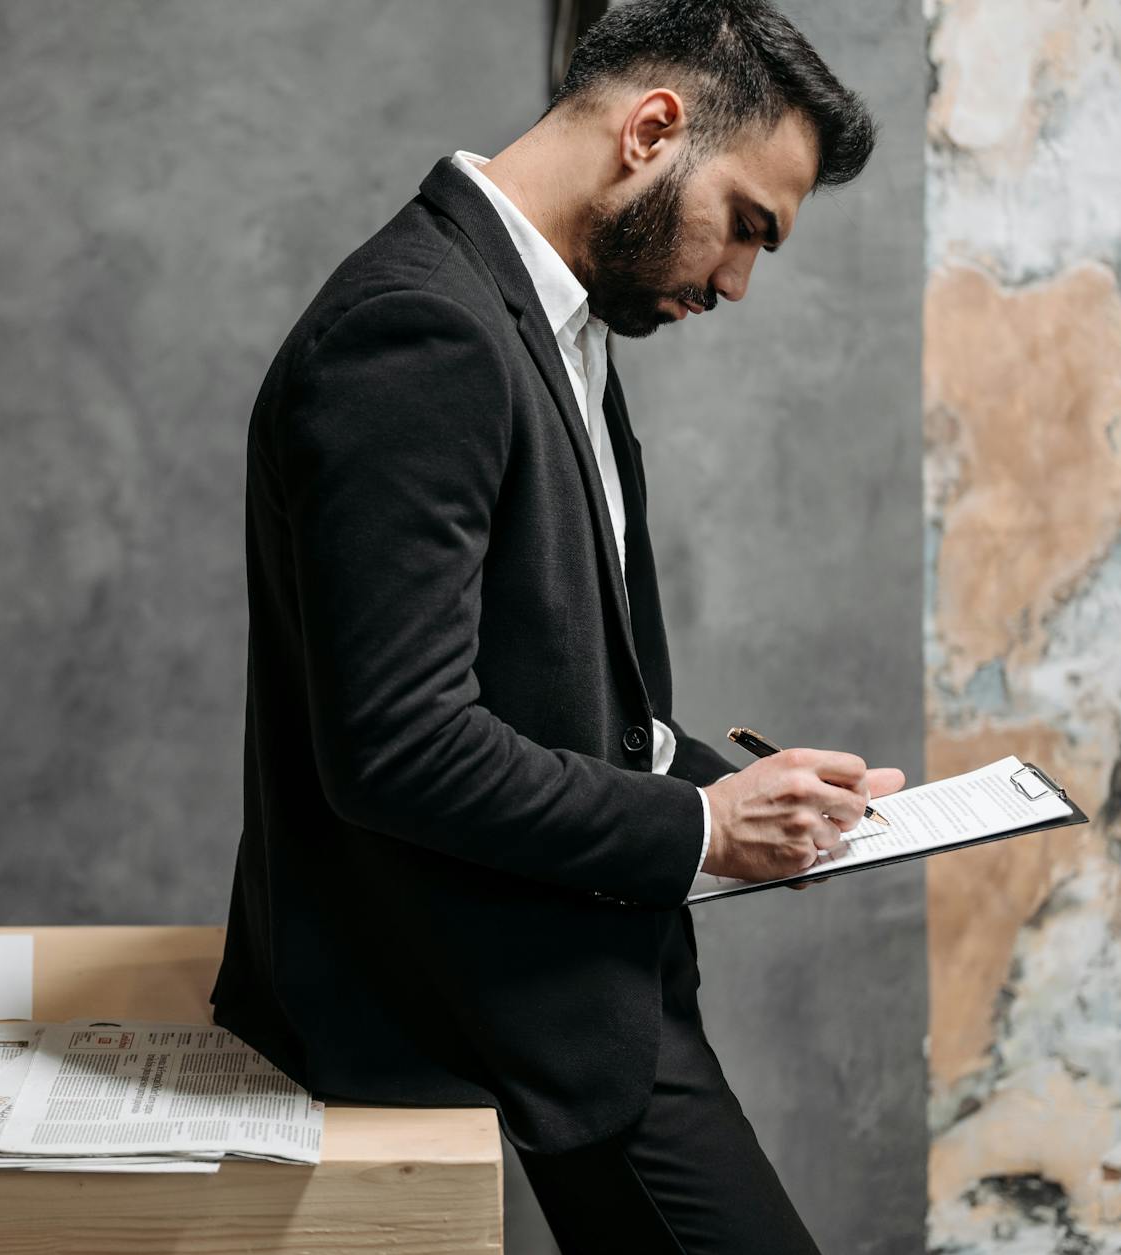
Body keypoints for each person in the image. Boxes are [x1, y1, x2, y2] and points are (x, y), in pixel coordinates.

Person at [208, 1, 902, 1249]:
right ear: (651, 130)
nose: (736, 281)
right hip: (482, 993)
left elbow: (549, 684)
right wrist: (702, 826)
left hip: (572, 969)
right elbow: (398, 747)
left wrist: (756, 792)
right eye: (746, 225)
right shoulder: (418, 331)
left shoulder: (554, 320)